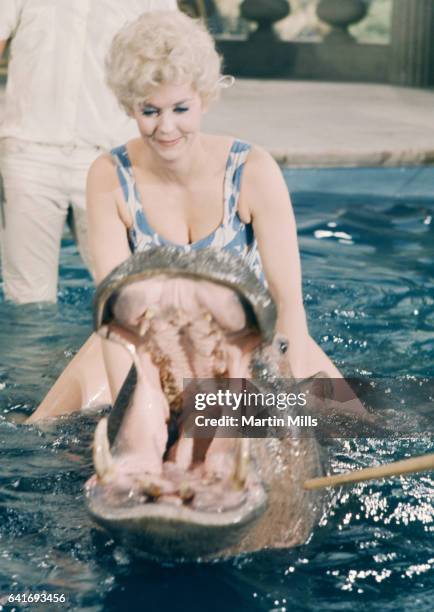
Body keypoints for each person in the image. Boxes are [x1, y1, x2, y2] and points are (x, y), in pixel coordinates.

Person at [28, 9, 350, 423]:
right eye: (150, 111)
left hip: (249, 344)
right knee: (39, 432)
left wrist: (283, 407)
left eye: (180, 108)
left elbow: (288, 304)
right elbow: (115, 316)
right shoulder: (110, 177)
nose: (166, 128)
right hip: (147, 346)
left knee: (354, 431)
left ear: (204, 96)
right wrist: (135, 422)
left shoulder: (253, 170)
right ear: (129, 105)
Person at [0, 0, 178, 304]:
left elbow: (173, 61)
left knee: (127, 296)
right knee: (27, 302)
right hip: (28, 152)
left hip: (114, 158)